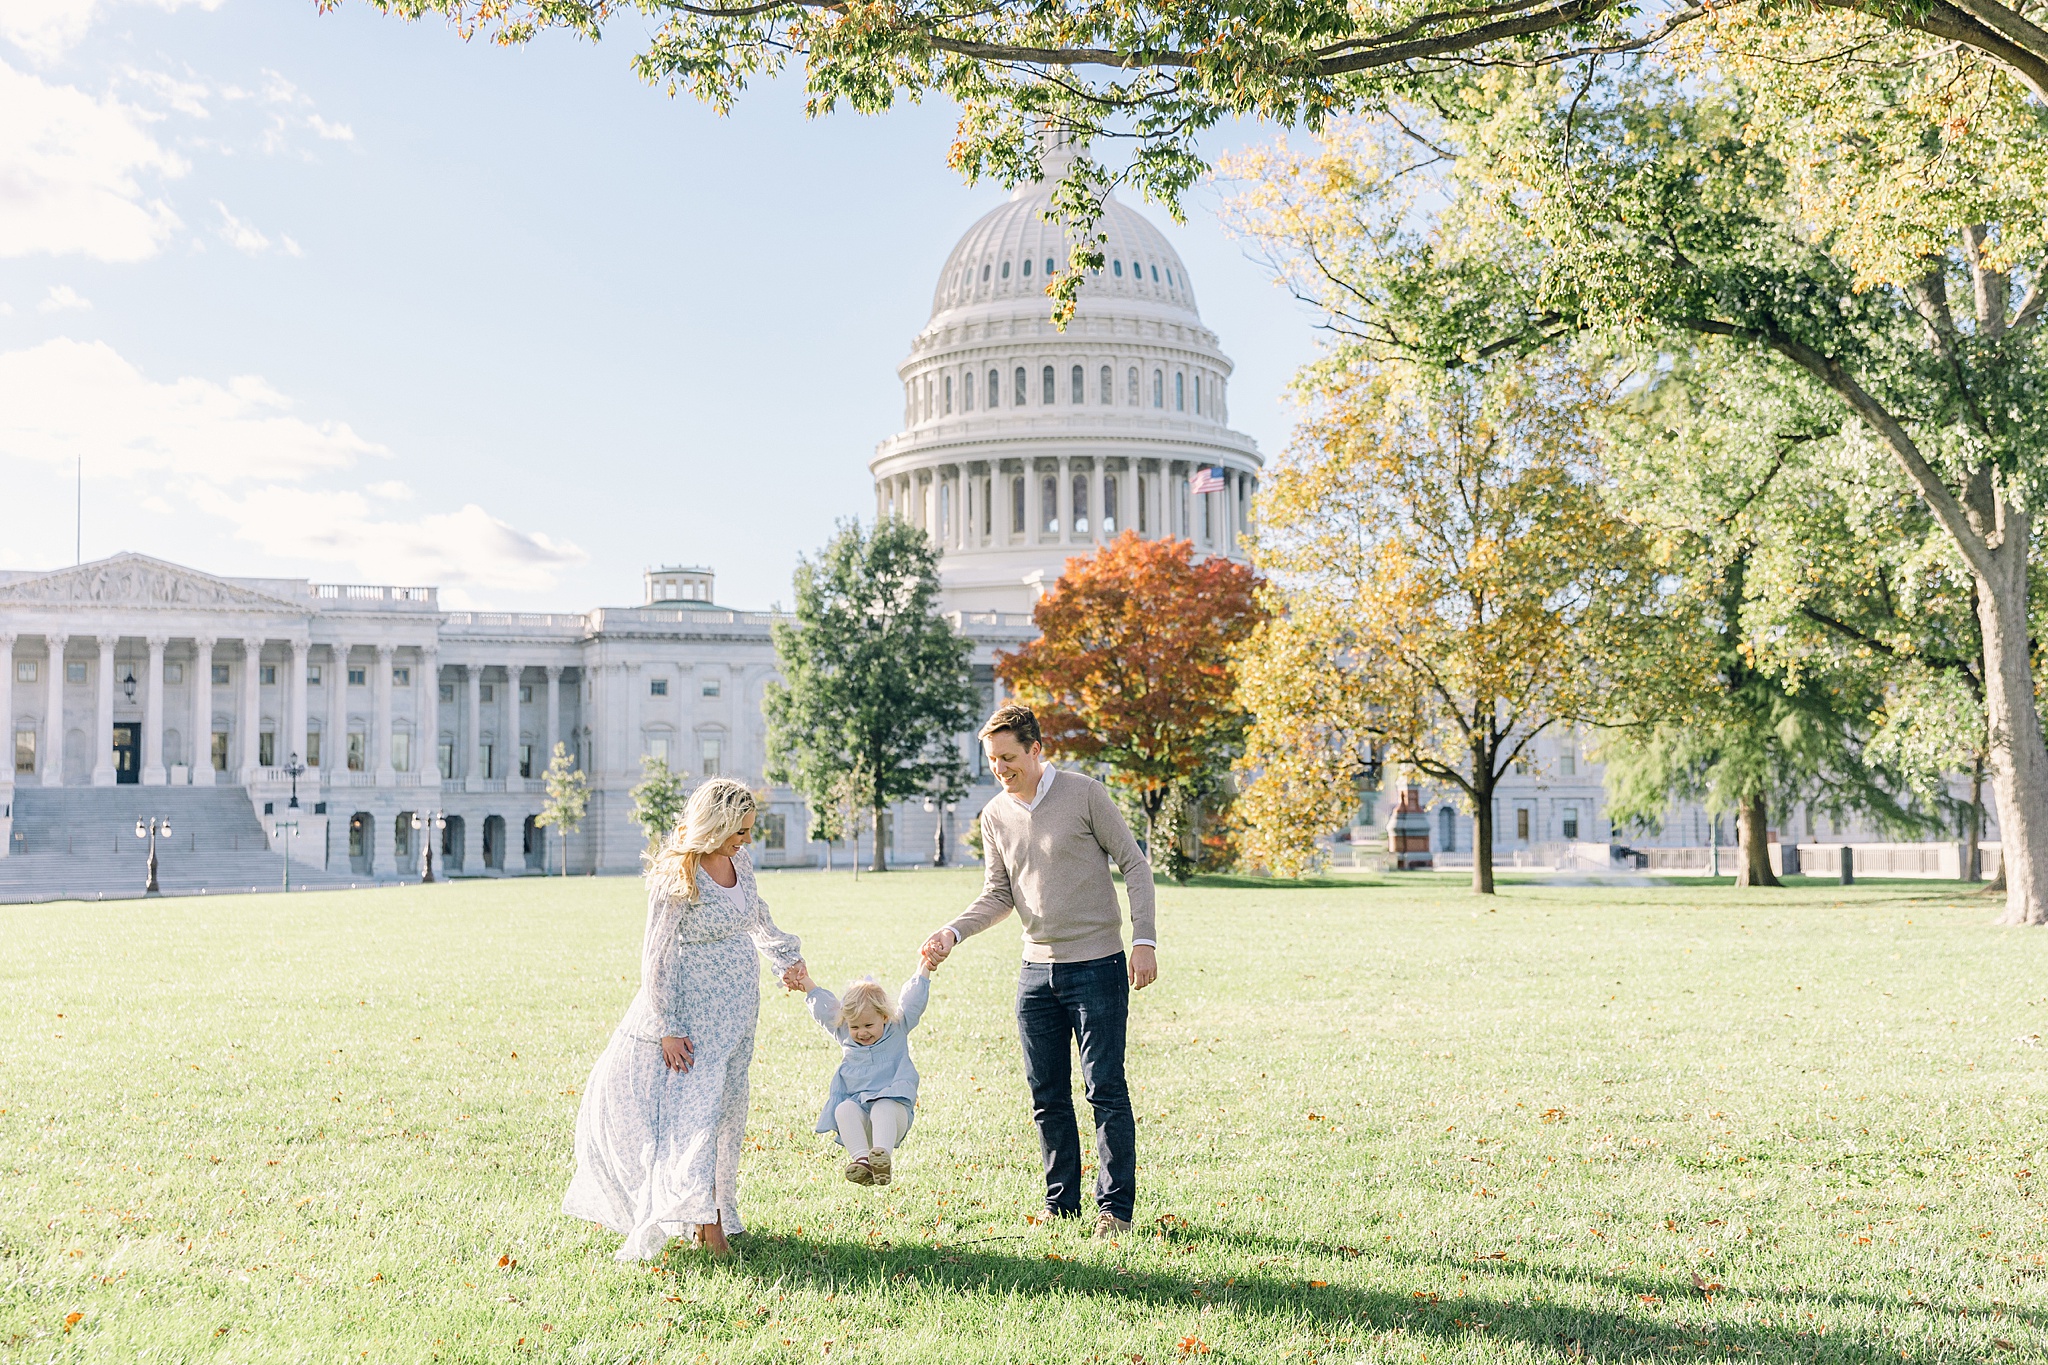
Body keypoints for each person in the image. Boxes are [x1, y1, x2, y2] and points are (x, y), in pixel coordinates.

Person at [921, 703, 1157, 1238]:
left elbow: (1134, 864)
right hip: (1035, 972)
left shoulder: (1084, 793)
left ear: (1036, 749)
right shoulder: (996, 815)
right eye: (992, 761)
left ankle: (1114, 1211)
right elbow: (998, 894)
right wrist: (952, 932)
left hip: (1097, 964)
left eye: (1008, 758)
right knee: (1046, 1095)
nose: (1000, 770)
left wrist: (1143, 940)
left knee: (1105, 1089)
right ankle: (1061, 1204)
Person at [563, 778, 807, 1260]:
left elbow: (755, 915)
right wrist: (668, 1026)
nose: (747, 840)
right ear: (715, 824)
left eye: (749, 831)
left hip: (737, 1017)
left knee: (725, 1116)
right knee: (697, 1116)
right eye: (740, 831)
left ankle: (713, 1213)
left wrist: (785, 958)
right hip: (692, 1018)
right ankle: (708, 1228)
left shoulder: (740, 861)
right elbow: (655, 954)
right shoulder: (678, 872)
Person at [792, 964, 932, 1186]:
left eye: (868, 1025)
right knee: (843, 1108)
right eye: (855, 1026)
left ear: (884, 1017)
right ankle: (863, 1162)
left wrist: (924, 969)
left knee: (882, 1105)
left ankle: (881, 1158)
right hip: (862, 1120)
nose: (862, 1032)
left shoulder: (897, 1028)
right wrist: (806, 983)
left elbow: (913, 1001)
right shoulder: (845, 1034)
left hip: (892, 1118)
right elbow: (825, 1010)